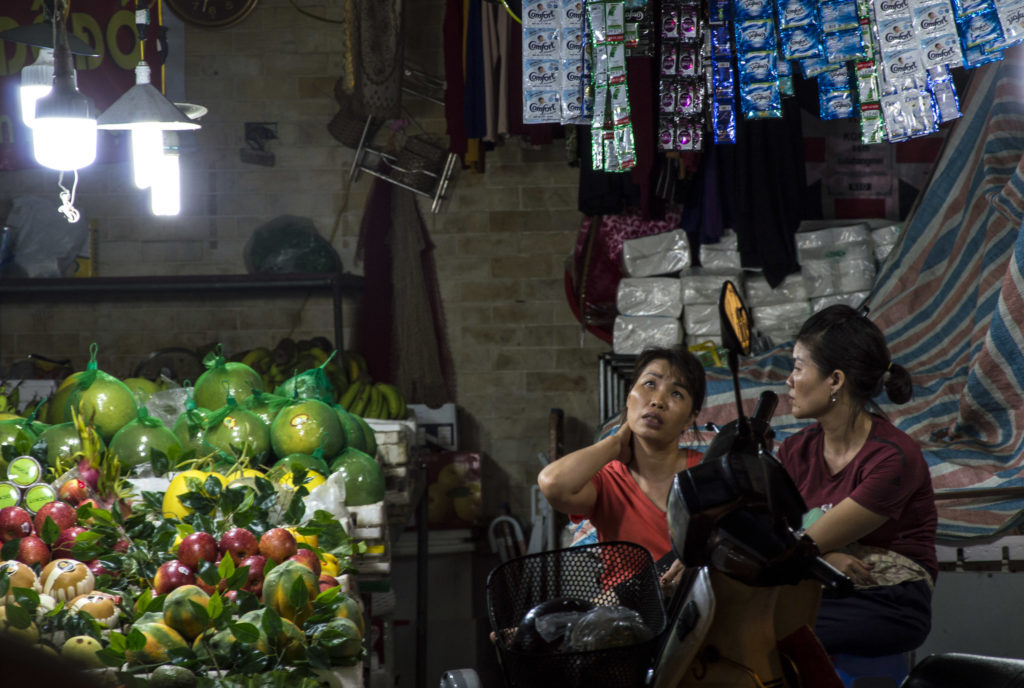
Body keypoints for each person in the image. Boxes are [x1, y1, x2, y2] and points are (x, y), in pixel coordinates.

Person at [777, 304, 937, 657]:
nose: (789, 380)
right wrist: (827, 556)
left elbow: (795, 546)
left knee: (774, 626)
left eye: (798, 367)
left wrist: (814, 553)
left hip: (886, 601)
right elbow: (783, 530)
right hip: (821, 579)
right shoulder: (794, 450)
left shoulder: (893, 456)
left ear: (835, 380)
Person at [537, 347, 706, 585]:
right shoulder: (607, 480)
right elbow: (554, 484)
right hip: (626, 614)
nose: (657, 401)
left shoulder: (705, 474)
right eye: (649, 384)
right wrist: (615, 442)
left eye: (677, 394)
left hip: (696, 612)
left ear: (690, 418)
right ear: (629, 397)